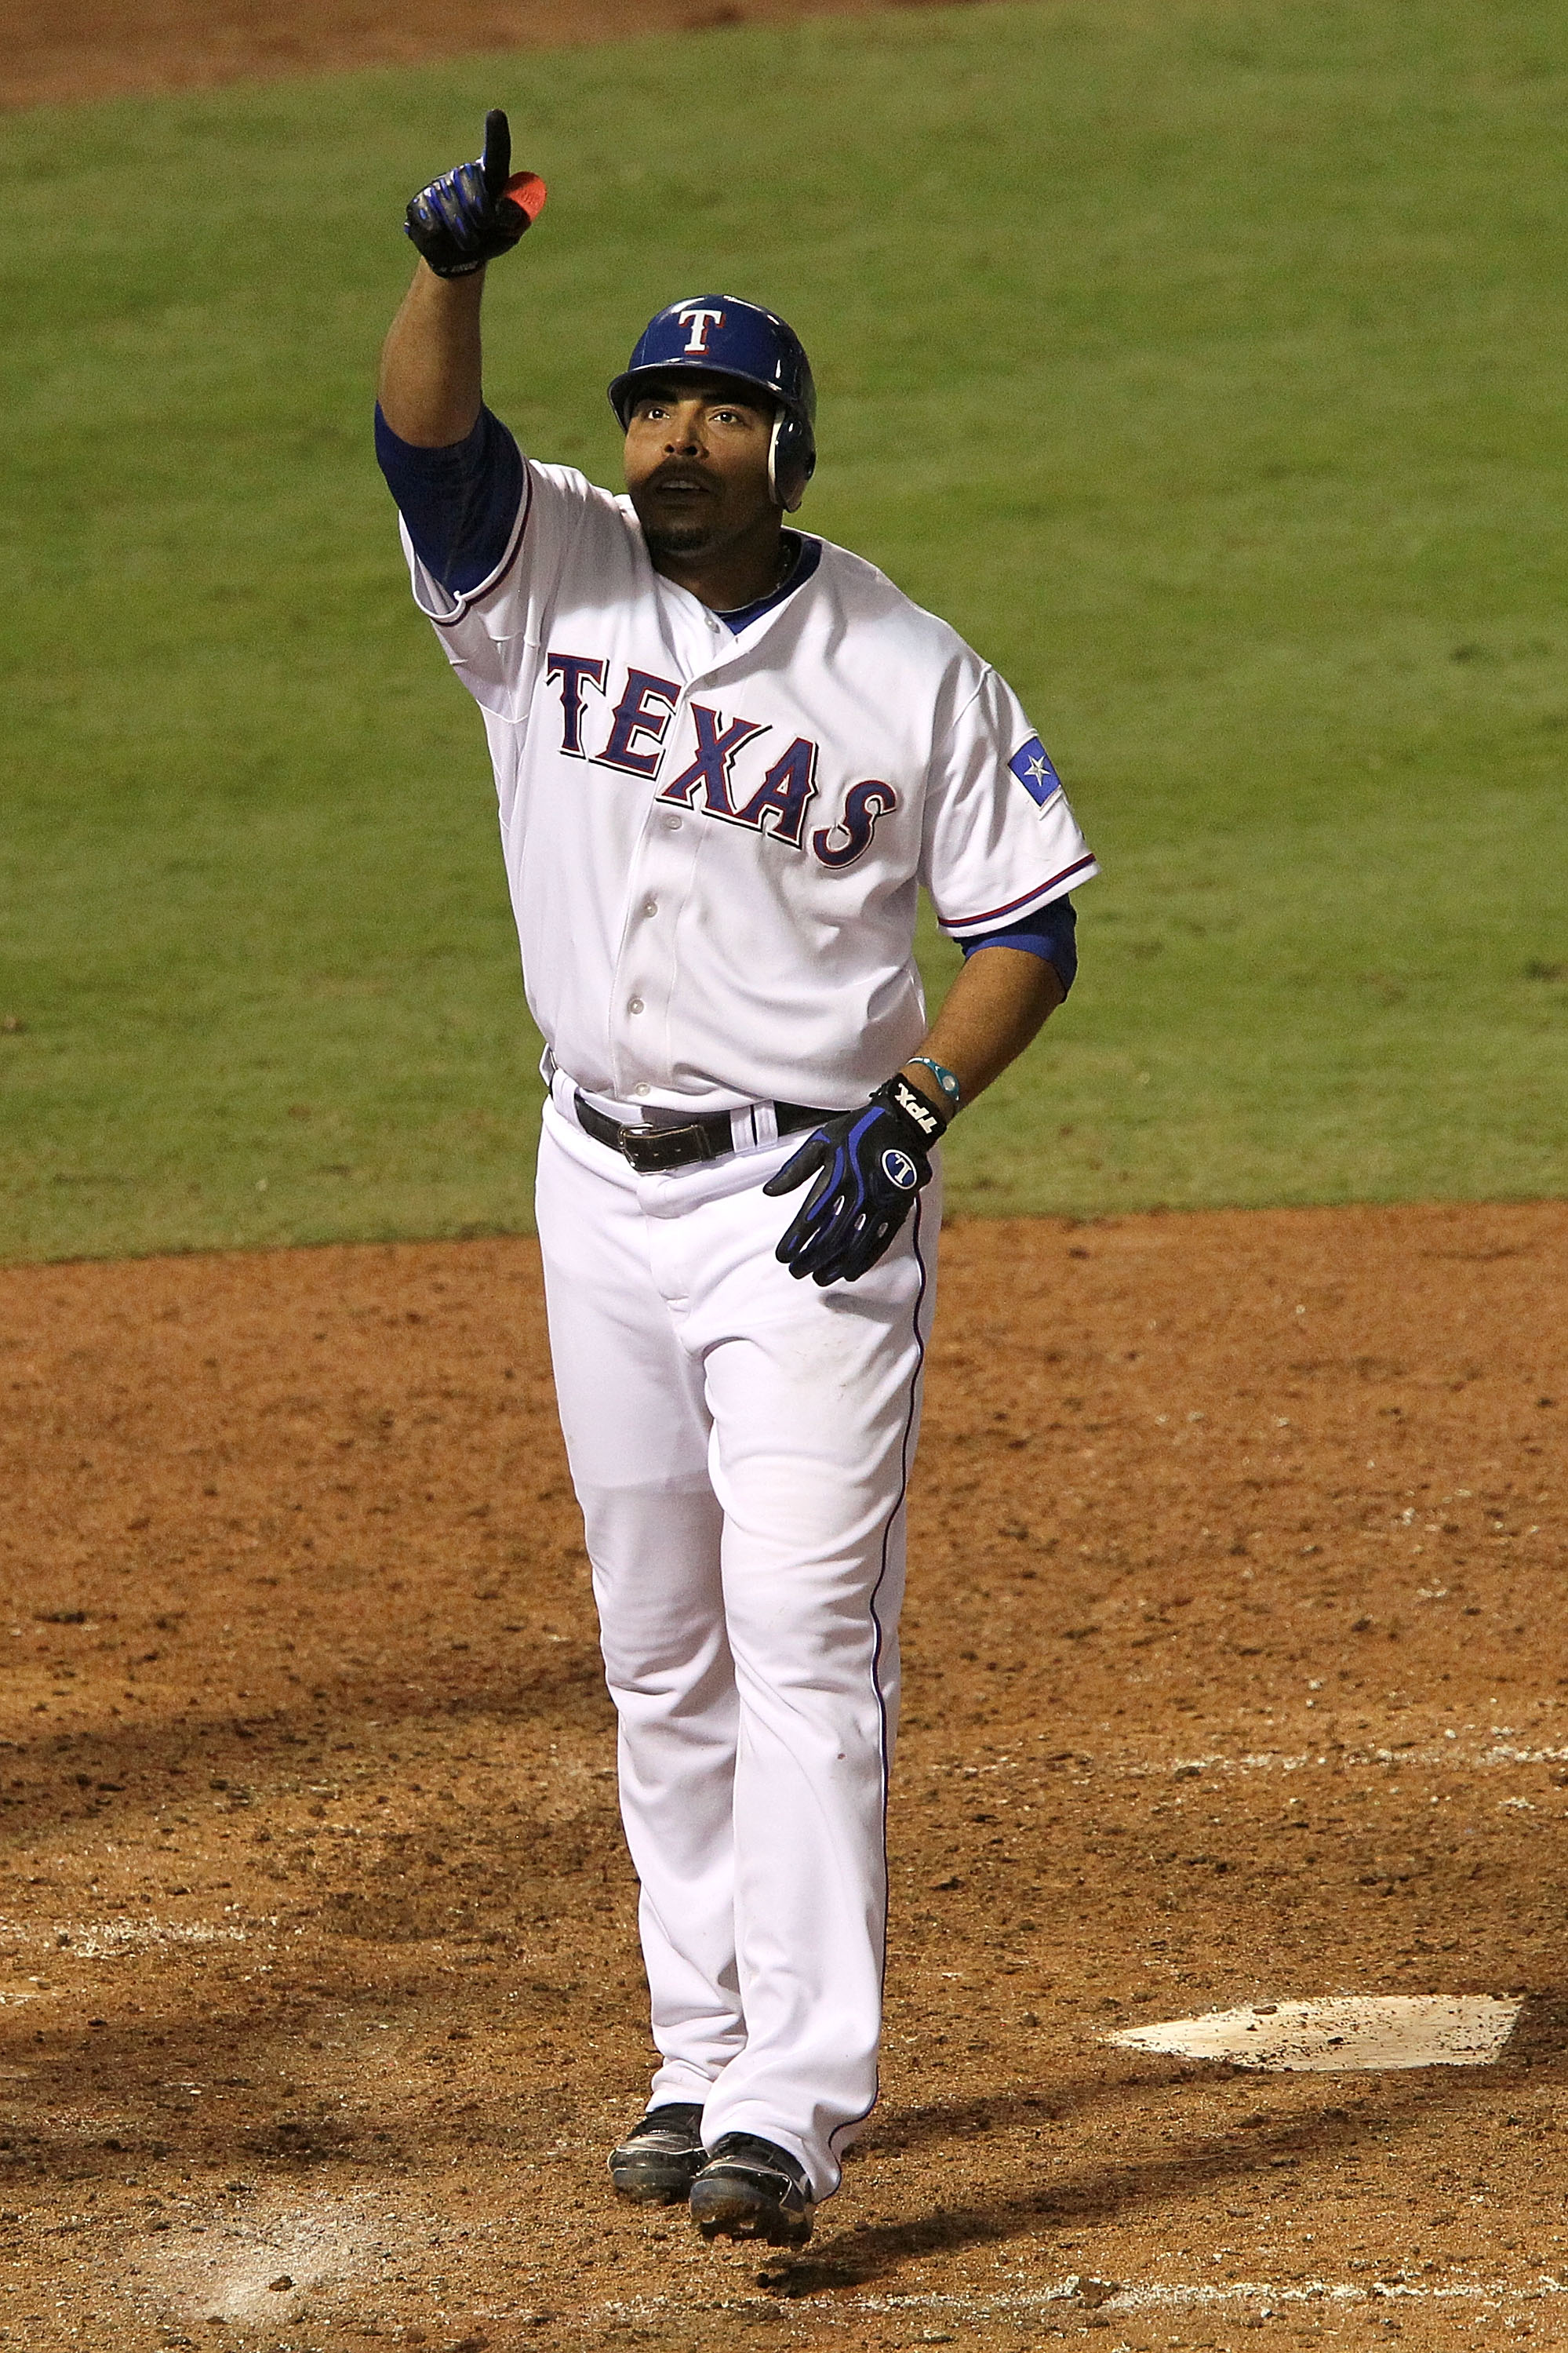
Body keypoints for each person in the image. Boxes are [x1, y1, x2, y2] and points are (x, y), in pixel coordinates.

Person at [376, 111, 1098, 2249]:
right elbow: (427, 445)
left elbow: (1029, 926)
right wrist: (454, 267)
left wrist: (915, 1116)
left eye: (725, 406)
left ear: (794, 445)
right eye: (654, 402)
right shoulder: (549, 582)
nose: (678, 433)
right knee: (658, 1640)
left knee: (800, 1638)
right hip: (589, 1184)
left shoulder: (908, 667)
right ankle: (697, 2048)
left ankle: (795, 2095)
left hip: (813, 1203)